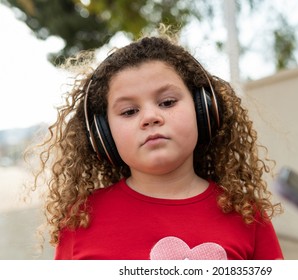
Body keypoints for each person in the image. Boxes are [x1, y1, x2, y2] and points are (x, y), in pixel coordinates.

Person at [29, 26, 283, 260]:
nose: (150, 117)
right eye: (129, 111)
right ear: (103, 134)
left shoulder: (248, 215)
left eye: (167, 102)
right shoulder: (81, 218)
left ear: (203, 110)